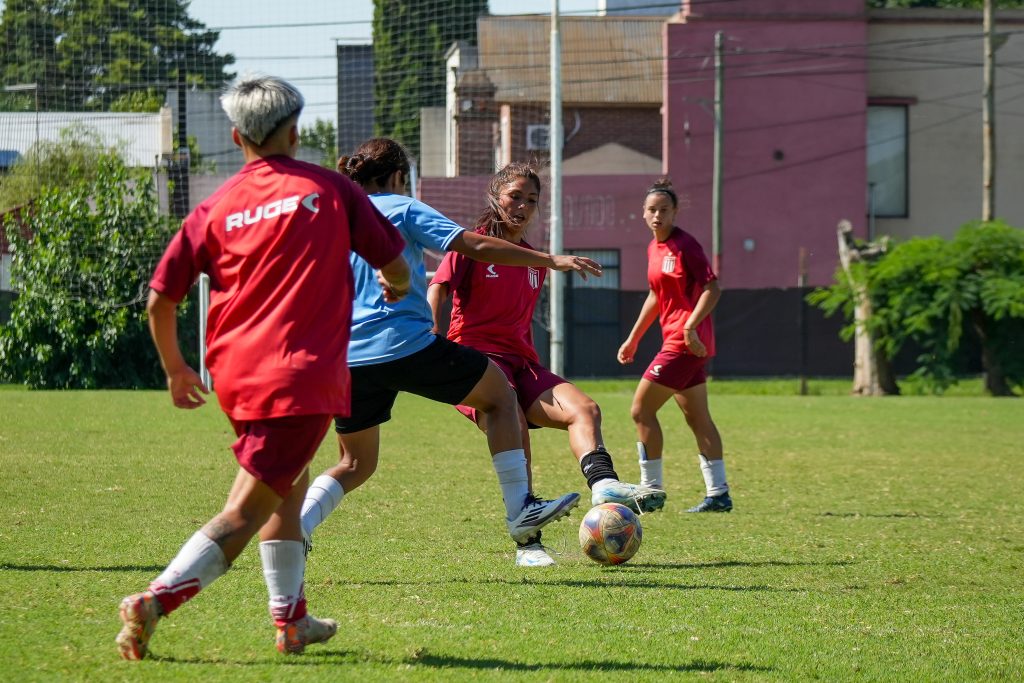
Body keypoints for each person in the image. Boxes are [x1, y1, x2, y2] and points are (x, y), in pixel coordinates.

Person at [115, 76, 411, 660]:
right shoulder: (329, 189)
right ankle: (154, 601)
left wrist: (176, 369)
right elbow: (395, 262)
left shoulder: (216, 205)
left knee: (287, 490)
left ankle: (291, 620)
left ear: (236, 137)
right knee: (246, 511)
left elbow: (159, 301)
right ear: (295, 132)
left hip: (235, 376)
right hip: (299, 378)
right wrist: (396, 285)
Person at [300, 138, 603, 565]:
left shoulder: (335, 218)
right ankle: (521, 510)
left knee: (354, 463)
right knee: (502, 397)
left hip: (347, 359)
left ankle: (299, 523)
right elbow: (473, 245)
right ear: (399, 176)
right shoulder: (404, 208)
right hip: (405, 344)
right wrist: (549, 259)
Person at [426, 162, 667, 567]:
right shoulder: (472, 245)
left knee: (585, 410)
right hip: (476, 363)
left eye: (531, 200)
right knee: (515, 428)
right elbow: (438, 288)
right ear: (496, 197)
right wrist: (434, 336)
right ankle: (528, 544)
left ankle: (604, 485)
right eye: (514, 196)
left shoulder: (535, 260)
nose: (522, 206)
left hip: (522, 364)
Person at [617, 177, 732, 513]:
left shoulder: (686, 246)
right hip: (680, 341)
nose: (658, 216)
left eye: (664, 210)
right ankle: (719, 495)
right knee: (698, 417)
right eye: (652, 210)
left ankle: (650, 491)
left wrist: (691, 326)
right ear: (643, 212)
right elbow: (656, 295)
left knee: (641, 410)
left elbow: (712, 288)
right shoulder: (654, 249)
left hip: (685, 342)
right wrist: (634, 338)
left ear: (675, 212)